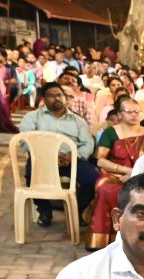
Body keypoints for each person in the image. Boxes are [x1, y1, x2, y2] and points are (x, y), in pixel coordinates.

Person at [18, 81, 99, 231]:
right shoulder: (32, 117)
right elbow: (25, 141)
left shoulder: (78, 121)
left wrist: (72, 156)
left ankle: (75, 210)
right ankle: (44, 211)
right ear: (44, 99)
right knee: (31, 176)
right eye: (51, 95)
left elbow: (88, 143)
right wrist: (48, 155)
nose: (56, 98)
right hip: (41, 159)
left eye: (59, 95)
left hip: (70, 160)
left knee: (93, 179)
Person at [90, 95, 144, 249]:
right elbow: (100, 161)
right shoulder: (110, 133)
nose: (134, 115)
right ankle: (102, 240)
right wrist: (126, 170)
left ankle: (136, 237)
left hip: (142, 176)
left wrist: (135, 173)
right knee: (107, 190)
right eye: (129, 111)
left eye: (137, 111)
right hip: (115, 175)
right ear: (119, 114)